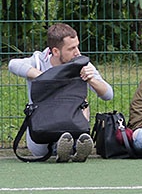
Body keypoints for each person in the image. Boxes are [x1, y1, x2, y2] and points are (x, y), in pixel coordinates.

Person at [8, 23, 113, 162]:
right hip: (42, 131)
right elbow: (13, 64)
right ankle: (66, 147)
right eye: (71, 48)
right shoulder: (39, 61)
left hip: (71, 124)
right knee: (48, 144)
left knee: (84, 104)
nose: (78, 52)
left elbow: (108, 94)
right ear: (56, 51)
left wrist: (91, 79)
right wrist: (46, 78)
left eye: (77, 46)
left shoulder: (81, 64)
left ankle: (69, 146)